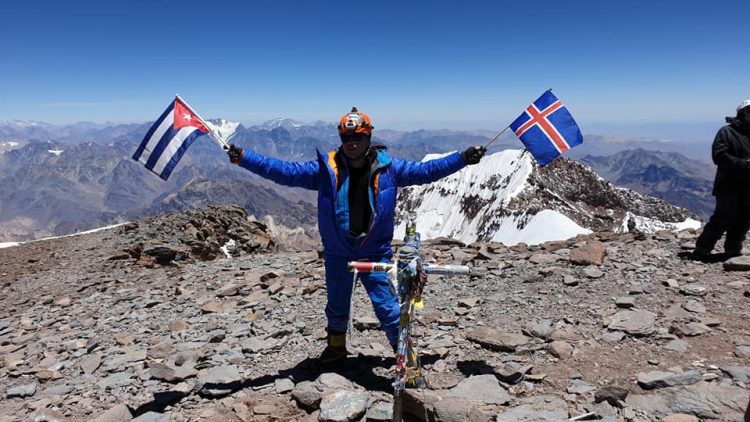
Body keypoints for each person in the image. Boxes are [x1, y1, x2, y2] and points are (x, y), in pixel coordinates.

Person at [228, 107, 485, 367]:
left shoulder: (390, 169)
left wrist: (462, 158)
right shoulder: (326, 170)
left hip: (374, 251)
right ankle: (336, 349)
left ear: (368, 138)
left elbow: (426, 171)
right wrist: (245, 158)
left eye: (358, 137)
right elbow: (284, 171)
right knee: (337, 305)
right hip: (338, 251)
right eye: (346, 138)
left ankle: (405, 356)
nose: (351, 143)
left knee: (387, 308)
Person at [693, 100, 750, 261]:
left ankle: (733, 251)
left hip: (748, 186)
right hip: (728, 185)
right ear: (741, 114)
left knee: (743, 219)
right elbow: (719, 156)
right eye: (749, 111)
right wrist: (745, 164)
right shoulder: (727, 132)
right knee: (723, 217)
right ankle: (702, 249)